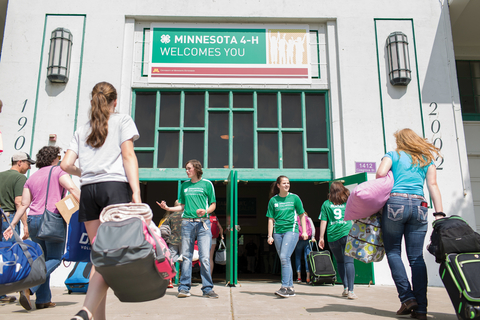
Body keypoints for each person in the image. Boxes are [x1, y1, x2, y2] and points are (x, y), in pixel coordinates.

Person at [61, 81, 141, 320]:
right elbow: (128, 155)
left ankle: (99, 318)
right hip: (114, 190)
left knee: (99, 255)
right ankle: (85, 311)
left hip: (89, 192)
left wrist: (84, 172)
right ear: (115, 101)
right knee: (111, 258)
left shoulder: (82, 128)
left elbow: (65, 165)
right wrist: (135, 192)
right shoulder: (122, 120)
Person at [376, 128, 444, 320]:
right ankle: (421, 309)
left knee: (393, 252)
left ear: (401, 141)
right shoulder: (426, 158)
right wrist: (439, 213)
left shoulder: (394, 155)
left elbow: (380, 173)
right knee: (416, 258)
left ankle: (407, 298)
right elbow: (433, 185)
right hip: (420, 205)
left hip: (395, 204)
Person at [3, 146, 80, 310]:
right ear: (54, 158)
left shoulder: (32, 177)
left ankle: (43, 300)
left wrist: (13, 224)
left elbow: (24, 204)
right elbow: (72, 188)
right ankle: (30, 287)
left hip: (33, 221)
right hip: (51, 219)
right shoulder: (59, 171)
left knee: (43, 261)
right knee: (55, 258)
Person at [159, 159, 218, 299]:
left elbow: (213, 205)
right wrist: (168, 208)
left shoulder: (207, 184)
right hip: (186, 224)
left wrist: (205, 211)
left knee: (204, 258)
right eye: (186, 168)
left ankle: (208, 289)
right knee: (186, 256)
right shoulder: (184, 185)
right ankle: (184, 288)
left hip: (203, 223)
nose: (187, 171)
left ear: (196, 169)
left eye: (189, 168)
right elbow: (182, 206)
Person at [0, 151, 34, 303]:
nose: (29, 167)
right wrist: (25, 225)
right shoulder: (20, 178)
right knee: (9, 255)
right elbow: (19, 203)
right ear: (19, 162)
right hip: (8, 219)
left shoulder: (0, 175)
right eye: (28, 163)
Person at [266, 175, 308, 298]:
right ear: (278, 185)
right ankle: (290, 288)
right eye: (284, 183)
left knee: (284, 257)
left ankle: (284, 287)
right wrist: (270, 235)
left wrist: (304, 231)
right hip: (277, 232)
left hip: (291, 231)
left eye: (288, 183)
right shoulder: (273, 200)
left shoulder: (295, 198)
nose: (287, 185)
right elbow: (270, 219)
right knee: (285, 259)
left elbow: (302, 215)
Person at [319, 182, 357, 300]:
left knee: (340, 262)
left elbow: (324, 221)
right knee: (349, 262)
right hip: (347, 233)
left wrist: (321, 237)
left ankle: (345, 288)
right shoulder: (347, 202)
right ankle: (351, 291)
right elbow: (355, 217)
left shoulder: (326, 204)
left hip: (332, 236)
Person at [158, 199, 183, 288]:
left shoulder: (171, 217)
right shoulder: (186, 216)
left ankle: (170, 280)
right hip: (185, 241)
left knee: (171, 260)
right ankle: (184, 281)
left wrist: (166, 238)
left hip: (173, 241)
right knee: (185, 260)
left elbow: (162, 229)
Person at [294, 211, 315, 283]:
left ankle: (299, 277)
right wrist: (313, 237)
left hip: (298, 240)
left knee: (297, 257)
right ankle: (308, 277)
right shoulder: (308, 218)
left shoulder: (295, 219)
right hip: (308, 239)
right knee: (307, 258)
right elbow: (313, 228)